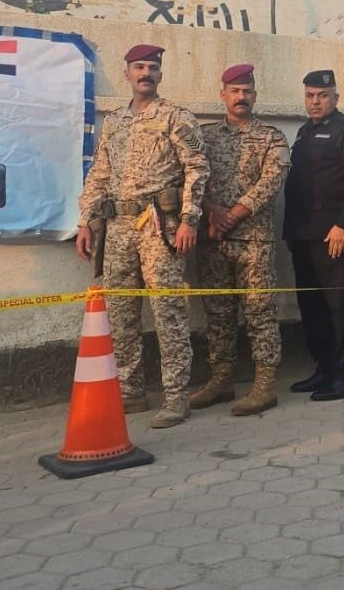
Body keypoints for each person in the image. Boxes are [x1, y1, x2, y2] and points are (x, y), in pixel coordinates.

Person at [75, 43, 209, 428]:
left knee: (168, 313)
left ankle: (176, 397)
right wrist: (86, 220)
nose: (145, 73)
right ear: (127, 74)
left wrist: (190, 219)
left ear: (160, 75)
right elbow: (100, 173)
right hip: (118, 227)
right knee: (121, 312)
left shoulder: (176, 117)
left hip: (159, 227)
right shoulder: (114, 121)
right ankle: (131, 391)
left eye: (151, 67)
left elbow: (197, 168)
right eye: (138, 67)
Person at [191, 64, 291, 416]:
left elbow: (271, 180)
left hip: (253, 242)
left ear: (255, 95)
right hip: (212, 240)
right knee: (217, 312)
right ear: (223, 95)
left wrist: (230, 216)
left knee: (259, 311)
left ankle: (265, 385)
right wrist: (211, 211)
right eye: (234, 91)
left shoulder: (272, 137)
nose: (241, 97)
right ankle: (221, 380)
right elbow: (191, 176)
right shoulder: (203, 137)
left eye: (247, 91)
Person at [283, 69, 344, 401]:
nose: (315, 102)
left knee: (339, 306)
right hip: (304, 235)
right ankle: (324, 369)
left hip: (334, 235)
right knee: (313, 307)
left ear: (335, 97)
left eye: (322, 95)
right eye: (310, 96)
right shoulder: (304, 132)